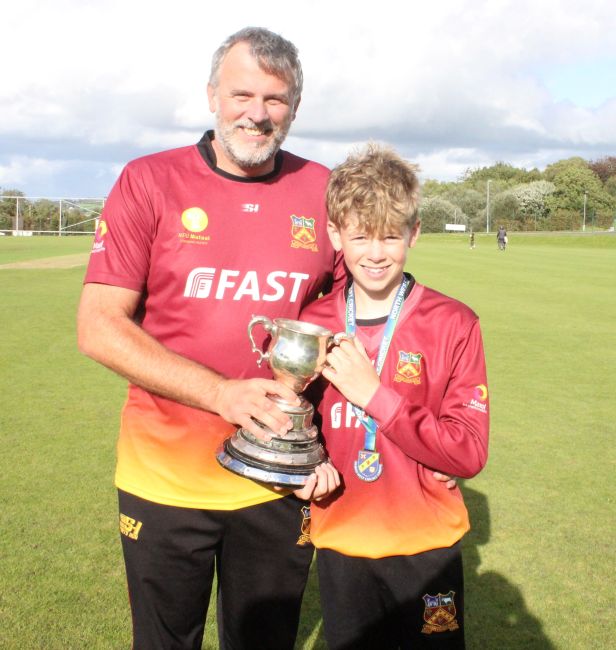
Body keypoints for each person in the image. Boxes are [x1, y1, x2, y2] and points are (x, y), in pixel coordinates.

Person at [77, 27, 343, 650]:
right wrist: (221, 394)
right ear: (212, 96)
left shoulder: (323, 189)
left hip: (280, 478)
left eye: (275, 99)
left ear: (295, 107)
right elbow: (98, 325)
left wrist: (402, 454)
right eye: (242, 94)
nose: (257, 113)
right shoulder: (149, 179)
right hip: (164, 479)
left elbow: (362, 324)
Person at [300, 143, 490, 649]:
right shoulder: (313, 323)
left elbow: (468, 452)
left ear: (414, 232)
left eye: (390, 235)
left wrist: (374, 396)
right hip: (343, 537)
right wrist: (304, 470)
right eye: (360, 236)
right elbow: (295, 424)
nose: (376, 252)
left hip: (426, 545)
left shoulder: (454, 323)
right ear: (335, 235)